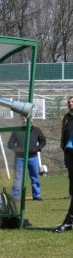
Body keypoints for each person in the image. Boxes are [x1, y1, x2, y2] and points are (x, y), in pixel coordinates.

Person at [7, 116, 45, 201]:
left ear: (31, 119)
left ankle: (36, 195)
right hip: (20, 158)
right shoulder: (17, 130)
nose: (25, 120)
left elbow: (43, 141)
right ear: (21, 120)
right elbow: (10, 144)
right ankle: (15, 196)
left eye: (27, 118)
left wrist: (38, 148)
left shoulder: (36, 130)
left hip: (33, 157)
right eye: (23, 118)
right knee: (18, 177)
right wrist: (17, 149)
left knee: (35, 177)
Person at [53, 95, 73, 232]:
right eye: (69, 102)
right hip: (70, 153)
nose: (70, 103)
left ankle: (68, 221)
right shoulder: (67, 117)